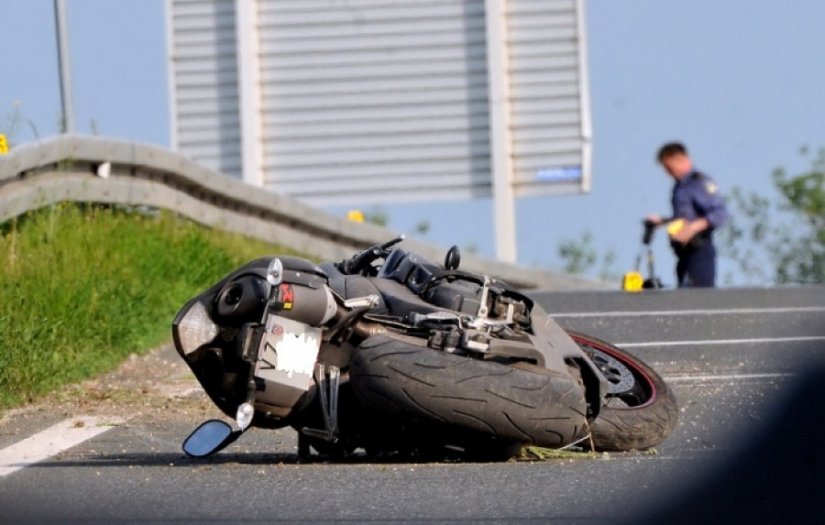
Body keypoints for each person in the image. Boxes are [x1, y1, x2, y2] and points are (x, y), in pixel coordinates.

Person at [646, 142, 728, 287]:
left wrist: (692, 228)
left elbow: (720, 213)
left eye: (670, 168)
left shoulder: (698, 182)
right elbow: (685, 218)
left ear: (682, 159)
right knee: (683, 299)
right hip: (683, 253)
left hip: (699, 251)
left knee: (699, 300)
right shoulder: (680, 186)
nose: (668, 173)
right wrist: (663, 221)